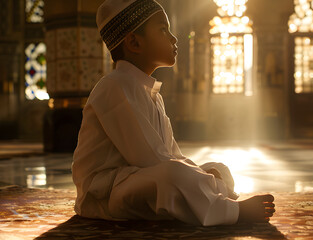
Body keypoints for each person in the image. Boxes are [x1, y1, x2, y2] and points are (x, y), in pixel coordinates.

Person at [71, 0, 275, 226]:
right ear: (134, 42)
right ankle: (232, 211)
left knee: (219, 168)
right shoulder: (114, 86)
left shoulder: (151, 93)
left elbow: (171, 154)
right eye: (162, 30)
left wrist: (204, 175)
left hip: (138, 178)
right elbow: (151, 160)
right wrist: (202, 180)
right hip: (105, 195)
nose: (173, 38)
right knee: (174, 174)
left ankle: (203, 200)